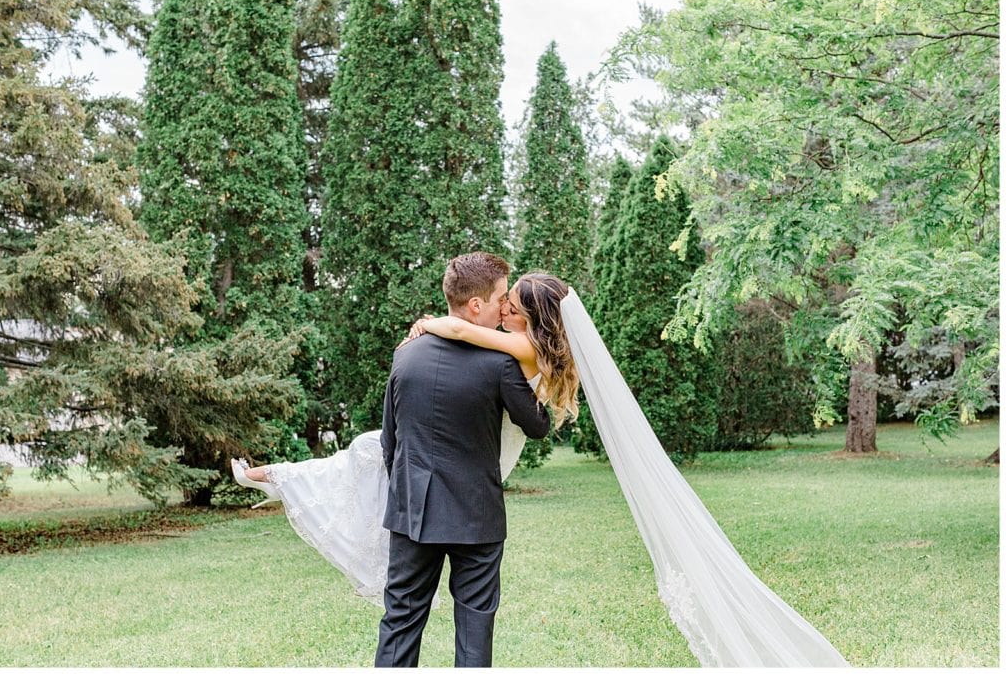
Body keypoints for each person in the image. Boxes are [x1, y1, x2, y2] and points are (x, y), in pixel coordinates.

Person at [234, 268, 849, 667]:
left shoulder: (432, 355)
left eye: (511, 306)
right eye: (500, 302)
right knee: (475, 627)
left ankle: (282, 476)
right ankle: (282, 475)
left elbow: (395, 441)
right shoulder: (510, 359)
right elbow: (533, 423)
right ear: (487, 304)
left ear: (526, 317)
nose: (504, 311)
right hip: (477, 498)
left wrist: (430, 328)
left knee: (399, 617)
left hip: (414, 502)